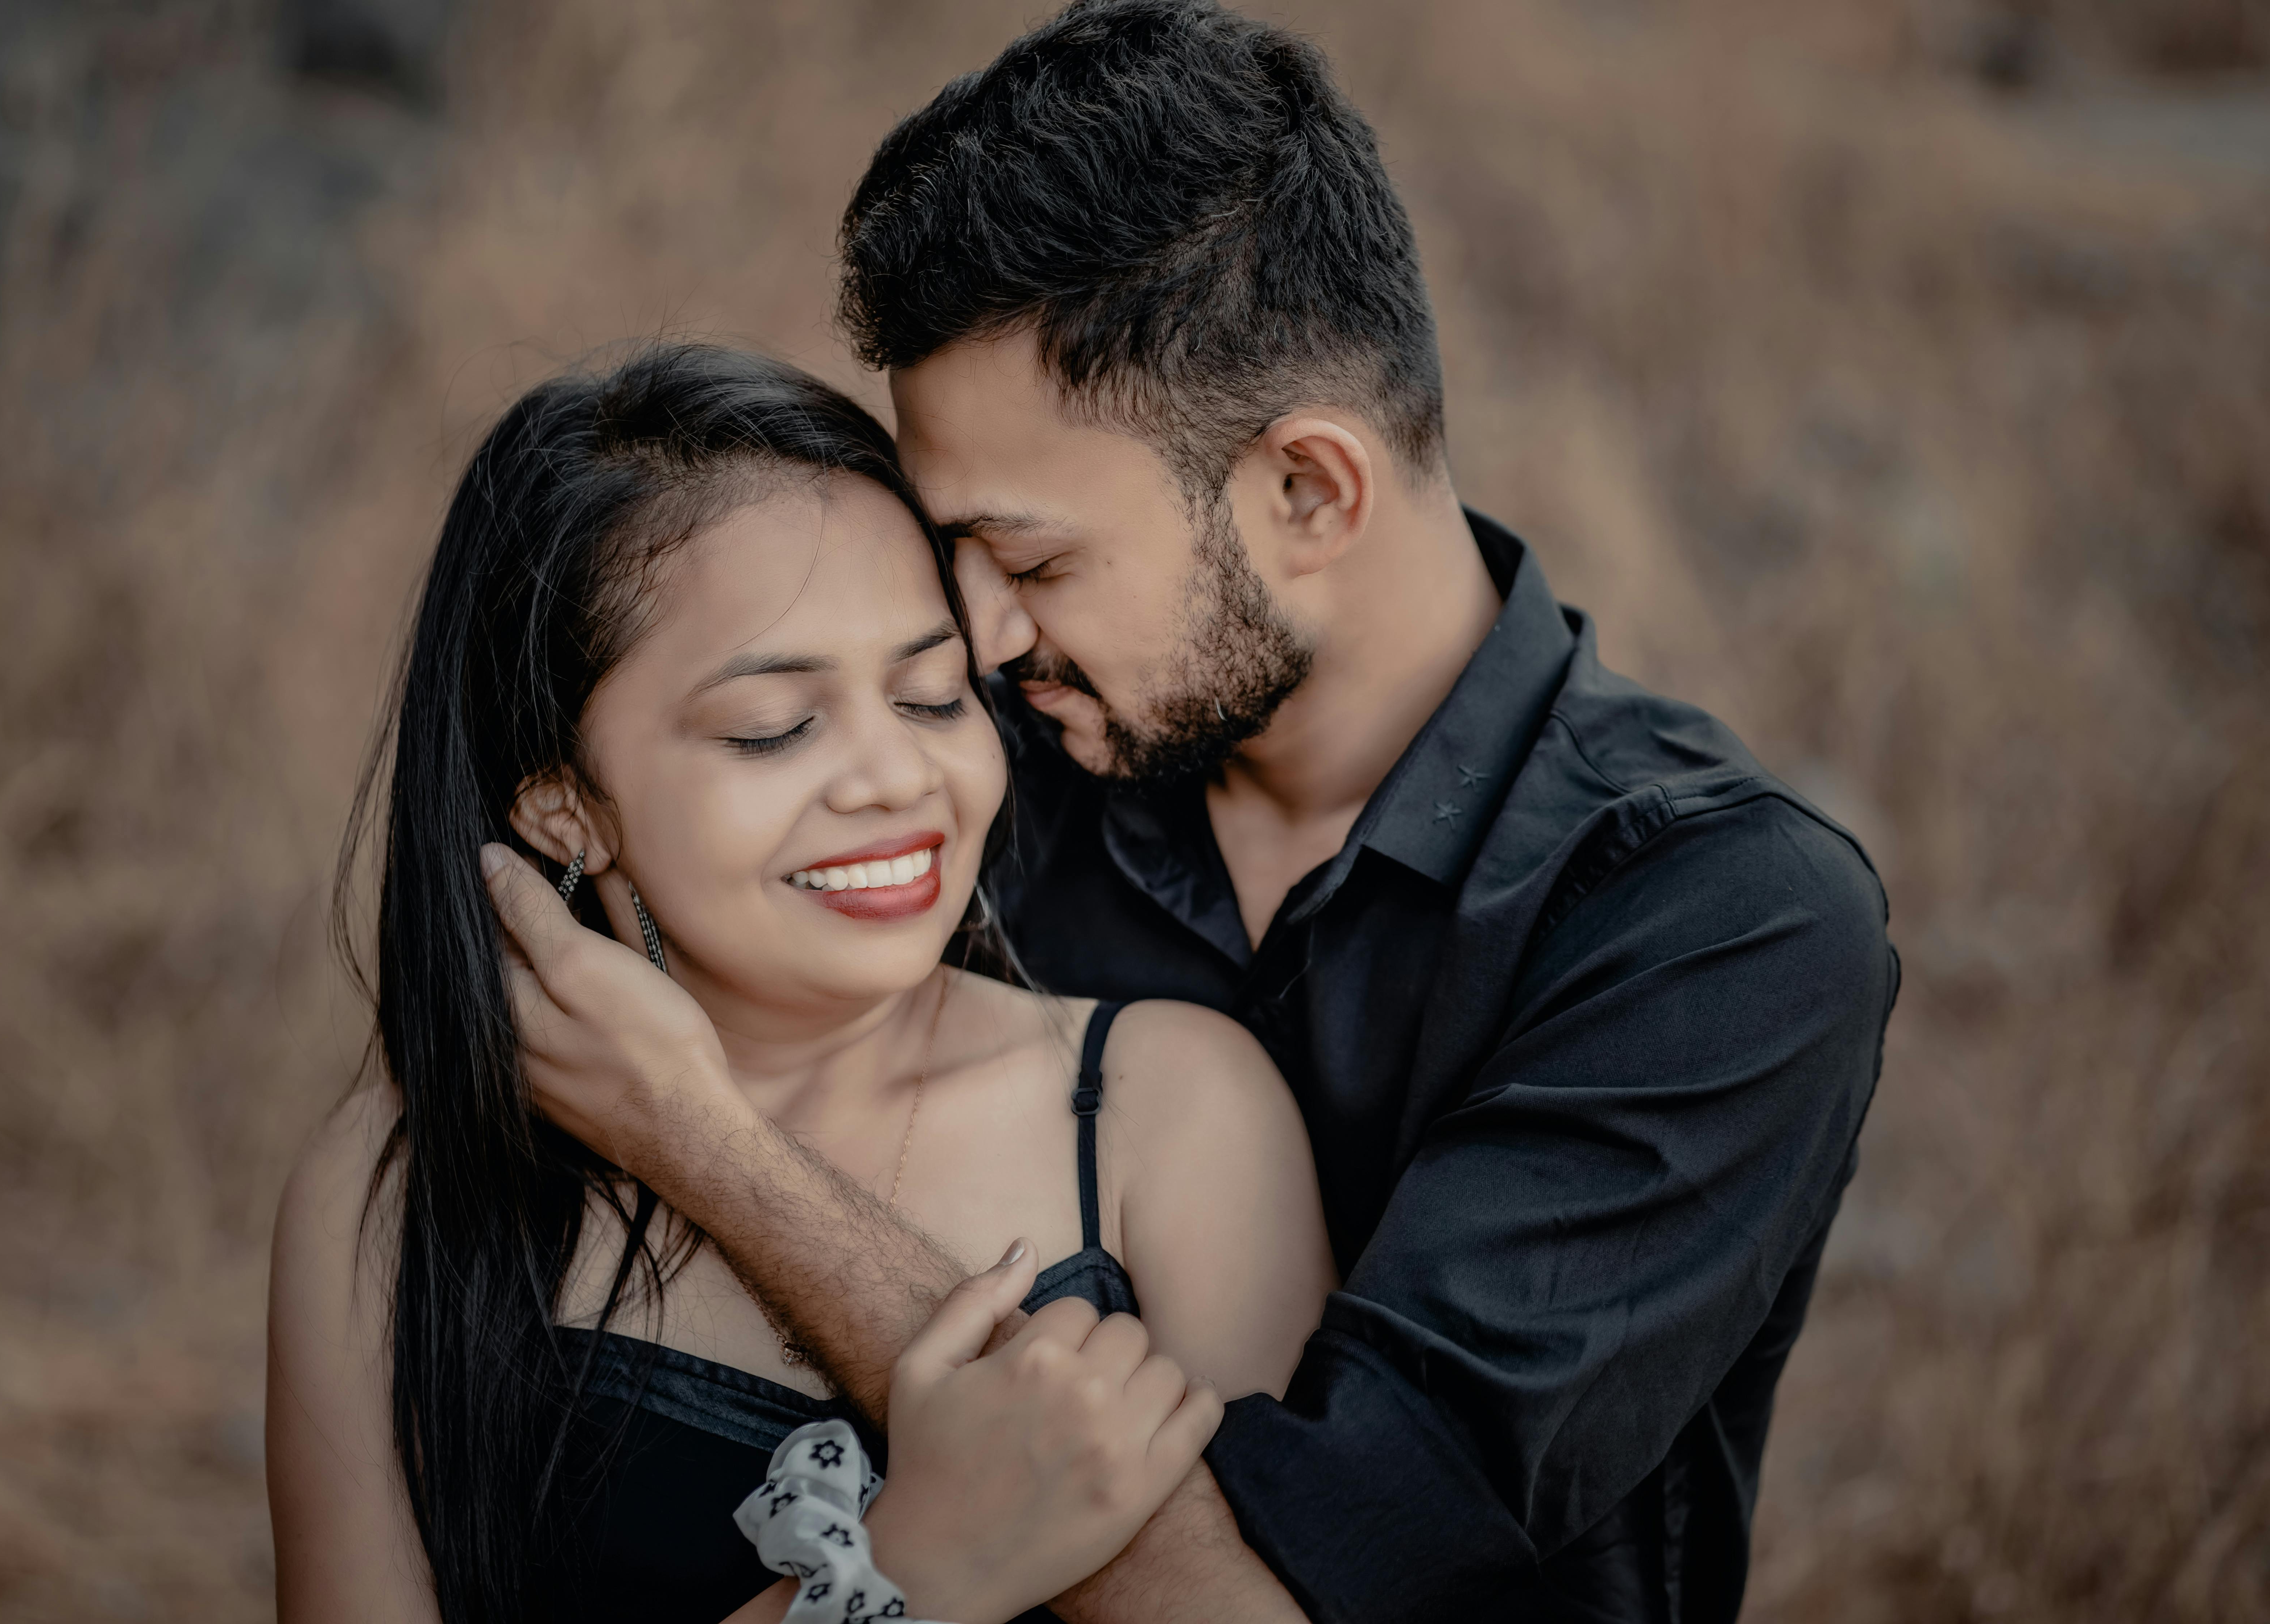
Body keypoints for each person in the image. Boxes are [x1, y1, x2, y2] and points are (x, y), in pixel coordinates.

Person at [510, 4, 1903, 1623]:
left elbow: (1293, 1587)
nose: (977, 639)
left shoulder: (1720, 923)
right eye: (951, 553)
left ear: (1308, 491)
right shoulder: (981, 775)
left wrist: (714, 1151)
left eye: (1030, 562)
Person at [263, 343, 1336, 1624]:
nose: (894, 777)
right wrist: (901, 1572)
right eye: (777, 727)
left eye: (933, 698)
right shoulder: (392, 1189)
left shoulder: (1172, 1110)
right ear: (566, 810)